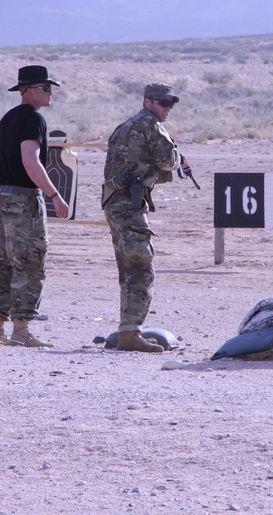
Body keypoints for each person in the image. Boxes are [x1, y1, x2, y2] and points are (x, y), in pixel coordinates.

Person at [102, 83, 192, 353]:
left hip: (115, 201)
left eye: (171, 104)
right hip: (129, 204)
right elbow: (166, 160)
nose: (168, 109)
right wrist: (177, 158)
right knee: (141, 268)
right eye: (163, 103)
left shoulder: (126, 125)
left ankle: (128, 329)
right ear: (147, 102)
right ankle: (130, 333)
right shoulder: (150, 125)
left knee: (128, 269)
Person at [0, 65, 70, 347]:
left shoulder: (9, 117)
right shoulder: (33, 119)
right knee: (30, 263)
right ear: (29, 90)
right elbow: (31, 161)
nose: (50, 93)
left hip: (3, 197)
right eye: (46, 88)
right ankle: (21, 329)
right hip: (23, 198)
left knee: (5, 263)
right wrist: (54, 194)